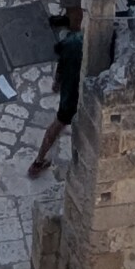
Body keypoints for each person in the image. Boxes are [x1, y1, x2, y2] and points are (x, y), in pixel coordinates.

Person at [28, 15, 84, 177]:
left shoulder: (72, 41)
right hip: (83, 96)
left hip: (70, 94)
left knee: (57, 125)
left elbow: (61, 62)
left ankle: (38, 161)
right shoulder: (101, 44)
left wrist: (57, 82)